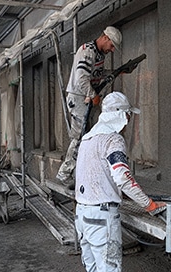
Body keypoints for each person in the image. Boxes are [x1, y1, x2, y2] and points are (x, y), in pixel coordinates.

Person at [74, 92, 167, 272]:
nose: (128, 122)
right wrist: (149, 205)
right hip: (102, 219)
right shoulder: (113, 140)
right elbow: (122, 177)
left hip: (82, 215)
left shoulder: (88, 138)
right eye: (127, 116)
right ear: (121, 116)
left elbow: (96, 176)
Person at [56, 26, 122, 188]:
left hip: (85, 97)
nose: (112, 50)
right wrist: (93, 95)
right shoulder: (88, 51)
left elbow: (96, 74)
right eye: (112, 45)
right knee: (80, 136)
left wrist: (116, 72)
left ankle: (82, 171)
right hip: (79, 97)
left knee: (89, 135)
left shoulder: (99, 53)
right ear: (105, 38)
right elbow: (81, 79)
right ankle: (64, 174)